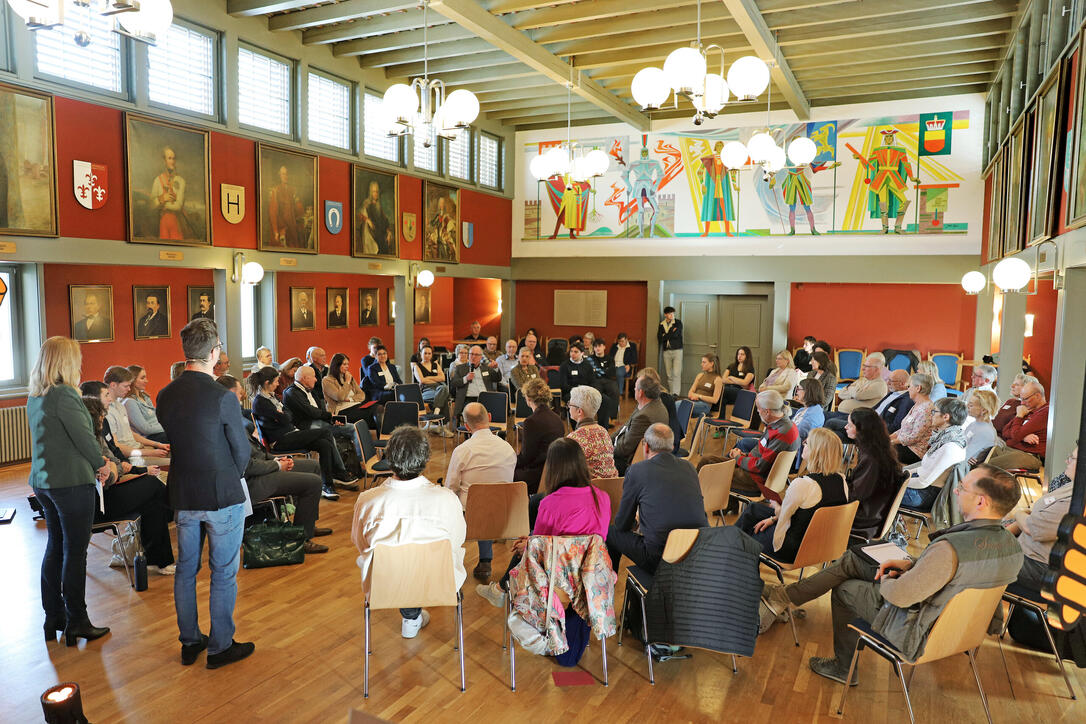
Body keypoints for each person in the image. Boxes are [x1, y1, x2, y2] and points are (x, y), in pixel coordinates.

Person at [760, 465, 1022, 685]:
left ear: (981, 501)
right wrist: (911, 565)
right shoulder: (1012, 547)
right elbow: (962, 575)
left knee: (847, 589)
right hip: (958, 627)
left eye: (962, 487)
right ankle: (784, 597)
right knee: (854, 559)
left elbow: (899, 596)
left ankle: (843, 667)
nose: (955, 490)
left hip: (918, 627)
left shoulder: (949, 550)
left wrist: (890, 576)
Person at [157, 319, 255, 669]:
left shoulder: (165, 394)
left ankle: (190, 641)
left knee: (186, 569)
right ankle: (220, 647)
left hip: (183, 491)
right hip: (220, 493)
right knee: (223, 571)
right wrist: (232, 476)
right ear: (214, 352)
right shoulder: (221, 397)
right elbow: (241, 451)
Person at [28, 337, 111, 647]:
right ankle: (78, 620)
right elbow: (85, 439)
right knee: (75, 553)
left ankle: (54, 617)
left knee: (56, 547)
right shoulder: (65, 394)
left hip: (44, 482)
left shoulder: (36, 395)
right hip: (71, 482)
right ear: (66, 361)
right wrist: (101, 464)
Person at [476, 440, 610, 623]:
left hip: (560, 578)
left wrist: (529, 543)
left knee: (523, 549)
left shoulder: (551, 503)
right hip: (594, 576)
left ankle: (500, 591)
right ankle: (499, 590)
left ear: (552, 468)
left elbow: (538, 549)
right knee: (529, 543)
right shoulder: (602, 497)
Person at [352, 426, 466, 639]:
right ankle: (412, 616)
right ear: (426, 459)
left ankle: (410, 616)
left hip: (386, 584)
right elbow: (457, 541)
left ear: (388, 457)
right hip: (439, 582)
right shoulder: (448, 499)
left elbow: (361, 543)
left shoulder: (367, 501)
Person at [217, 375, 329, 554]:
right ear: (228, 394)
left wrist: (277, 460)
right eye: (239, 393)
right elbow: (247, 466)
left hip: (263, 469)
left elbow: (258, 452)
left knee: (312, 467)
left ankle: (306, 525)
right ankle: (301, 539)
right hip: (252, 482)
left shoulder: (233, 417)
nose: (242, 396)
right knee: (313, 483)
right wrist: (277, 465)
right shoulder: (225, 423)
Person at [81, 396, 176, 574]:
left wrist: (115, 469)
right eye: (102, 415)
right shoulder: (89, 442)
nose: (104, 418)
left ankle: (158, 560)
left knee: (153, 500)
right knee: (154, 488)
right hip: (97, 504)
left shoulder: (97, 436)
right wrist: (115, 469)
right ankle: (159, 557)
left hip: (106, 492)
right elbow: (109, 475)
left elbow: (115, 462)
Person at [608, 423, 707, 574]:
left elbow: (622, 524)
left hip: (661, 559)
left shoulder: (636, 471)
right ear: (672, 447)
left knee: (611, 532)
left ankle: (610, 586)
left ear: (646, 446)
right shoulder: (689, 468)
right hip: (697, 552)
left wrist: (637, 521)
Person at [737, 428, 848, 562]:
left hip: (791, 549)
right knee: (754, 509)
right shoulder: (842, 481)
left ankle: (725, 551)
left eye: (807, 443)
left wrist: (776, 510)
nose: (803, 444)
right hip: (820, 546)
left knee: (745, 532)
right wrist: (773, 517)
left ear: (816, 452)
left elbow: (784, 516)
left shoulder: (803, 484)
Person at [248, 366, 357, 501]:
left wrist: (283, 415)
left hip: (291, 433)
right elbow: (286, 418)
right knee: (326, 433)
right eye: (276, 381)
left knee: (324, 444)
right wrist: (283, 415)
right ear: (267, 383)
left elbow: (288, 415)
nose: (278, 384)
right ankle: (339, 473)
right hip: (280, 440)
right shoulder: (260, 402)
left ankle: (327, 484)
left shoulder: (272, 397)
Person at [444, 402, 517, 582]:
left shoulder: (463, 451)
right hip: (506, 516)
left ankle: (450, 566)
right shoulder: (508, 448)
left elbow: (450, 489)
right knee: (487, 497)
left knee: (460, 502)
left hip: (472, 519)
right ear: (490, 418)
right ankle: (485, 559)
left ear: (466, 426)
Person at [283, 366, 368, 491]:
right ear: (304, 378)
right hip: (307, 426)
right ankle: (340, 472)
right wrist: (329, 417)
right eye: (313, 376)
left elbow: (320, 411)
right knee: (328, 435)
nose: (316, 380)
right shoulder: (291, 392)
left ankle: (362, 463)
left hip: (320, 421)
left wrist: (332, 420)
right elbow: (311, 412)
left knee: (351, 427)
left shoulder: (309, 389)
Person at [1005, 445, 1077, 592]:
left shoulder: (1076, 500)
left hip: (1040, 567)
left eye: (1072, 458)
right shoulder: (1071, 485)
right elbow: (1036, 516)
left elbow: (1033, 528)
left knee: (976, 559)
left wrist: (1019, 513)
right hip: (1029, 554)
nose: (1066, 460)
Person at [729, 390, 800, 503]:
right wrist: (744, 455)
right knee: (713, 463)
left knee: (710, 468)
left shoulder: (783, 432)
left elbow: (759, 466)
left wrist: (738, 458)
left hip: (755, 479)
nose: (757, 411)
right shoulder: (780, 425)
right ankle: (727, 505)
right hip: (754, 472)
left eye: (758, 408)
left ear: (767, 411)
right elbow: (764, 454)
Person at [844, 407, 905, 538]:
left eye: (849, 425)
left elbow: (857, 495)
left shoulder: (872, 459)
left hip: (863, 519)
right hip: (873, 512)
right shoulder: (879, 449)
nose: (845, 427)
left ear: (861, 429)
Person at [901, 397, 969, 510]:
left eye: (934, 412)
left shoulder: (950, 446)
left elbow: (923, 483)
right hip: (922, 489)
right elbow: (924, 467)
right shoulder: (947, 436)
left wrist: (897, 481)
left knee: (875, 487)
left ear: (946, 417)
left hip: (924, 495)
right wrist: (901, 473)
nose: (931, 415)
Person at [103, 366, 170, 462]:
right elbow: (116, 446)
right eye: (126, 386)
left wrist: (157, 445)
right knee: (175, 464)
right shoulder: (107, 411)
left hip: (139, 447)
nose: (129, 389)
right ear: (113, 385)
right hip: (131, 455)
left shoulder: (120, 406)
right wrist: (149, 452)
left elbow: (132, 434)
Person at [827, 368, 912, 440]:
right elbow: (874, 409)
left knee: (831, 423)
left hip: (872, 428)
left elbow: (896, 426)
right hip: (865, 418)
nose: (888, 383)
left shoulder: (906, 401)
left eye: (891, 381)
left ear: (903, 383)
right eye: (888, 380)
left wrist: (871, 426)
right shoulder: (892, 393)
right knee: (829, 418)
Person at [515, 377, 566, 494]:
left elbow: (527, 457)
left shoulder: (531, 421)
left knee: (506, 475)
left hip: (539, 474)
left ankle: (520, 509)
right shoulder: (557, 418)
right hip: (555, 471)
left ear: (528, 399)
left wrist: (510, 461)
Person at [612, 374, 669, 475]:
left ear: (641, 392)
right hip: (649, 457)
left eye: (635, 388)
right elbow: (625, 427)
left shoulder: (644, 416)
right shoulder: (653, 404)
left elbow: (625, 449)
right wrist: (608, 439)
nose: (634, 390)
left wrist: (607, 448)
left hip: (634, 462)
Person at [989, 380, 1048, 471]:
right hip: (1010, 449)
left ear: (1038, 396)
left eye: (1025, 399)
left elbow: (1016, 435)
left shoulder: (1045, 412)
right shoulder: (1027, 409)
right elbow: (1005, 430)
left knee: (988, 466)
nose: (1022, 403)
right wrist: (1023, 437)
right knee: (986, 454)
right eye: (1021, 399)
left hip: (1029, 455)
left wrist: (1019, 416)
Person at [567, 386, 619, 479]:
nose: (568, 407)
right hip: (613, 488)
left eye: (570, 404)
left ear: (579, 411)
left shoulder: (573, 439)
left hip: (591, 490)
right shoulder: (604, 431)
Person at [888, 373, 935, 465]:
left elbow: (913, 438)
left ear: (918, 388)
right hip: (905, 445)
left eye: (910, 386)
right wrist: (889, 437)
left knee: (878, 449)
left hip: (914, 451)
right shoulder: (917, 405)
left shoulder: (927, 409)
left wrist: (891, 442)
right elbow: (904, 429)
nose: (908, 389)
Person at [322, 352, 377, 427]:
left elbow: (362, 395)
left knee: (378, 408)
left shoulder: (348, 376)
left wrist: (350, 399)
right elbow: (340, 397)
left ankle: (381, 436)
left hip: (356, 405)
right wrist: (347, 382)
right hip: (341, 410)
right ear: (336, 365)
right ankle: (381, 435)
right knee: (373, 413)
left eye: (347, 364)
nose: (347, 366)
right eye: (344, 364)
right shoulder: (327, 380)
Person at [450, 345, 502, 416]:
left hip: (486, 398)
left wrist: (496, 368)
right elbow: (453, 383)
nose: (473, 357)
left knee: (496, 409)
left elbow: (498, 379)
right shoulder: (460, 368)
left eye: (476, 355)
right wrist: (466, 378)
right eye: (471, 354)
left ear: (481, 357)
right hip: (469, 398)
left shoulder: (486, 368)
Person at [411, 345, 452, 435]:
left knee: (443, 388)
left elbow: (443, 378)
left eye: (429, 353)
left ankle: (435, 415)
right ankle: (442, 427)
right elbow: (421, 380)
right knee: (443, 396)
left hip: (439, 388)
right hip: (426, 390)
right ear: (420, 354)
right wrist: (434, 378)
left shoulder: (435, 364)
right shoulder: (417, 366)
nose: (427, 355)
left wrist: (428, 378)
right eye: (425, 353)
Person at [123, 364, 168, 444]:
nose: (146, 381)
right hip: (149, 437)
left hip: (159, 432)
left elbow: (157, 417)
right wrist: (169, 427)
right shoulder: (130, 402)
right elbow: (145, 429)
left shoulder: (145, 397)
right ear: (133, 380)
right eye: (142, 378)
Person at [151, 146, 185, 240]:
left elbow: (178, 206)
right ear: (164, 161)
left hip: (175, 222)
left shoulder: (181, 181)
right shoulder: (157, 180)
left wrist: (164, 205)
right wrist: (162, 198)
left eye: (174, 158)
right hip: (163, 222)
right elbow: (151, 205)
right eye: (169, 158)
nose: (172, 161)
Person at [586, 339, 620, 428]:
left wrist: (598, 371)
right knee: (597, 393)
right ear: (593, 348)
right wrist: (605, 371)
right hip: (595, 381)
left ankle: (612, 418)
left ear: (604, 347)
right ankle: (600, 417)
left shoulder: (610, 359)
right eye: (596, 346)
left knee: (615, 390)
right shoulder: (590, 359)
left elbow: (612, 373)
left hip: (608, 380)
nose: (598, 348)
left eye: (600, 346)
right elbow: (591, 373)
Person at [269, 165, 304, 248]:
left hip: (292, 226)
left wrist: (302, 216)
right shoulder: (276, 190)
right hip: (281, 227)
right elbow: (273, 212)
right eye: (283, 174)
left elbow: (298, 207)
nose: (286, 176)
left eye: (287, 174)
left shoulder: (293, 190)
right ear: (279, 175)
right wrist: (276, 231)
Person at [790, 378, 826, 459]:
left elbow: (798, 433)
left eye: (799, 389)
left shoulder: (814, 413)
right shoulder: (802, 409)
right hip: (788, 445)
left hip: (793, 454)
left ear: (807, 392)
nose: (796, 392)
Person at [964, 389, 1000, 462]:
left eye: (971, 405)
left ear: (983, 410)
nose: (967, 406)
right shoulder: (975, 424)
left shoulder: (985, 432)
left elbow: (968, 457)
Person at [360, 180, 392, 256]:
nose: (376, 194)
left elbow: (385, 220)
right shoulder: (367, 203)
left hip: (380, 234)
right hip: (372, 234)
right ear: (371, 192)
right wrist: (367, 220)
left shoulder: (378, 206)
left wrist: (388, 231)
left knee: (385, 245)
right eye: (374, 191)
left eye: (377, 191)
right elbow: (360, 215)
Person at [686, 353, 723, 418]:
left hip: (705, 406)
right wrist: (692, 396)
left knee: (680, 406)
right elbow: (690, 392)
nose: (701, 364)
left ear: (712, 364)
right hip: (693, 401)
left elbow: (715, 400)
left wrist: (699, 396)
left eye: (704, 362)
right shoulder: (700, 375)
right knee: (676, 406)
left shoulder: (718, 379)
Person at [657, 306, 683, 395]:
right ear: (665, 314)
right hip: (666, 351)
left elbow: (676, 335)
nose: (672, 315)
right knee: (669, 374)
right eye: (670, 313)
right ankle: (672, 393)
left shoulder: (678, 323)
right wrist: (671, 332)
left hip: (677, 351)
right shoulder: (661, 324)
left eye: (673, 313)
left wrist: (665, 335)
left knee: (676, 373)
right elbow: (660, 338)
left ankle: (676, 393)